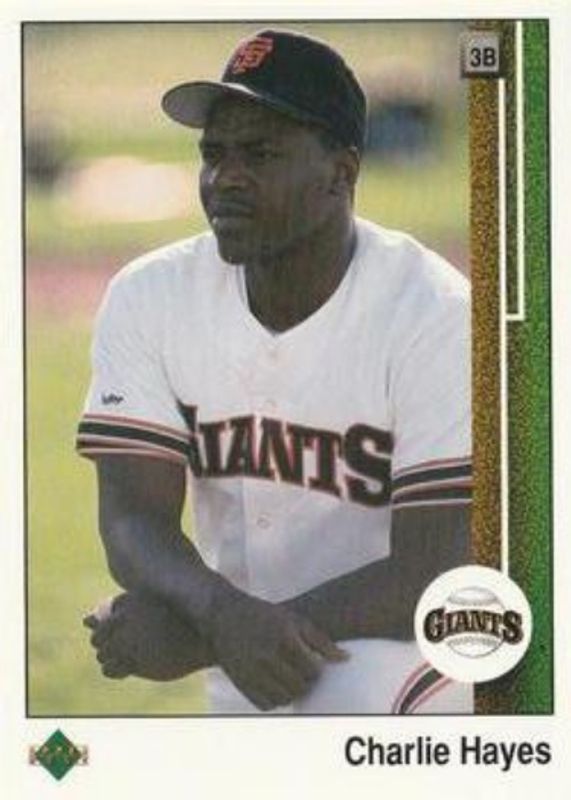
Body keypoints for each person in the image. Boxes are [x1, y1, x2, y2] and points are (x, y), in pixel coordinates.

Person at [78, 29, 472, 714]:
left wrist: (203, 635)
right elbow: (132, 518)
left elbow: (433, 569)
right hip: (249, 661)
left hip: (419, 655)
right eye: (213, 154)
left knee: (354, 701)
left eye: (259, 154)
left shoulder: (435, 312)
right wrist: (222, 615)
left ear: (341, 172)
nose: (224, 177)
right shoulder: (150, 295)